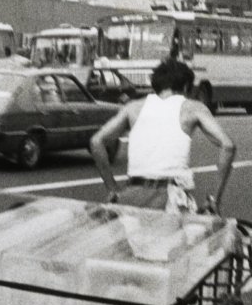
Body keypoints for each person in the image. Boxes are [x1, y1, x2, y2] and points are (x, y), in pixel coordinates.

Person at [90, 59, 237, 214]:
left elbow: (96, 141)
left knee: (135, 238)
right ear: (186, 86)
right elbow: (228, 145)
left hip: (131, 194)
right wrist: (215, 199)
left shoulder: (132, 108)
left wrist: (112, 188)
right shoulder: (193, 108)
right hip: (169, 198)